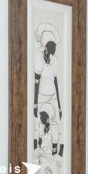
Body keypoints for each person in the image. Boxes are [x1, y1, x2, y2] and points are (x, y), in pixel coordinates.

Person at [33, 22, 63, 157]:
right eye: (52, 48)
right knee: (38, 123)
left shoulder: (54, 60)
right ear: (46, 48)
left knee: (57, 124)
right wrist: (35, 103)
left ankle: (57, 154)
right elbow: (36, 82)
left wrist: (60, 106)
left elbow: (56, 81)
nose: (54, 50)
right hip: (41, 96)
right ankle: (37, 150)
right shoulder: (38, 59)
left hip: (53, 96)